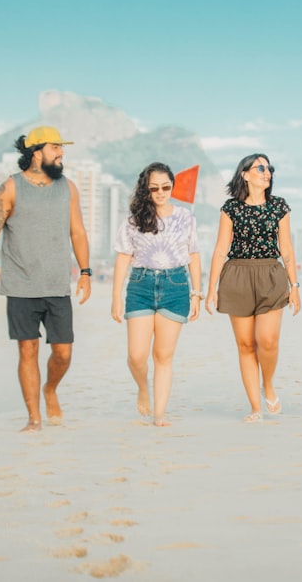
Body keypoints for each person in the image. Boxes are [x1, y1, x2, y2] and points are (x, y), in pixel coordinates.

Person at [0, 126, 92, 432]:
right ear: (36, 151)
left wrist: (86, 272)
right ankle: (34, 418)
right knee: (28, 350)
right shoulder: (11, 188)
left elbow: (77, 231)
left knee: (63, 353)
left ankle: (50, 389)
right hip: (21, 285)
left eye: (62, 148)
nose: (61, 153)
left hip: (57, 285)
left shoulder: (68, 188)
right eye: (55, 147)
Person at [206, 154, 300, 423]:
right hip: (237, 274)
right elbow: (220, 248)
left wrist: (294, 285)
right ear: (244, 174)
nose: (267, 172)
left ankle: (268, 384)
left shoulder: (279, 207)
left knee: (267, 341)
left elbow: (288, 249)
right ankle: (255, 407)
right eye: (260, 168)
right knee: (246, 344)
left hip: (271, 274)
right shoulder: (231, 208)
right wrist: (211, 288)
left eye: (269, 168)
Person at [110, 163, 202, 427]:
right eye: (154, 188)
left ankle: (159, 414)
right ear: (145, 189)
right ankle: (142, 388)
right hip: (140, 285)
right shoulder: (133, 219)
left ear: (172, 186)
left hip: (176, 286)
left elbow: (193, 255)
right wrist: (116, 296)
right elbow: (123, 257)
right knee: (136, 356)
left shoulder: (186, 217)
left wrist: (197, 293)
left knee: (163, 356)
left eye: (166, 187)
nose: (161, 192)